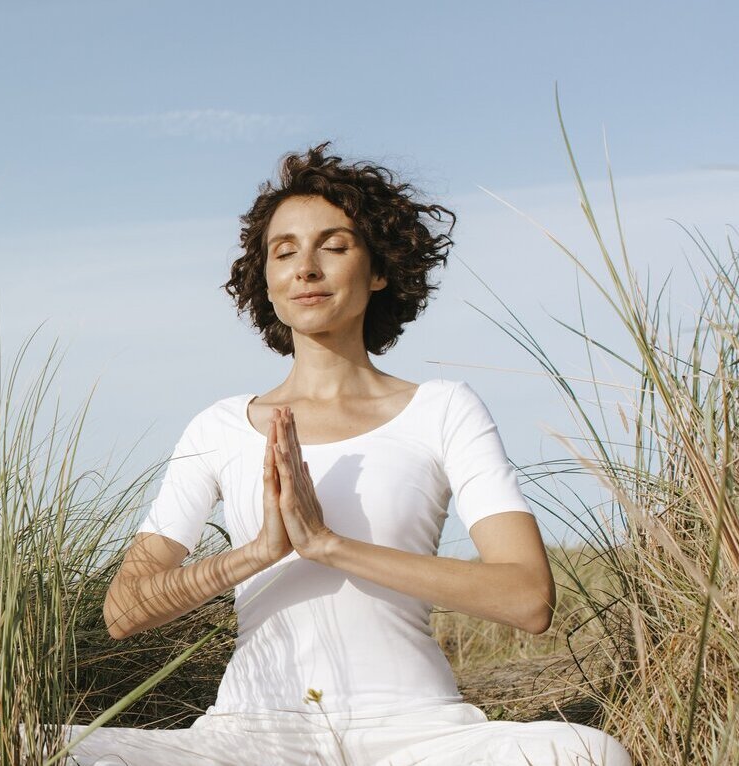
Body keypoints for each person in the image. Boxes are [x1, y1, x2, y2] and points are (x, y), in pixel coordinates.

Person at [57, 144, 632, 765]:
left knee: (586, 754)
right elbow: (123, 611)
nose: (306, 267)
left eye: (333, 246)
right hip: (248, 737)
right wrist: (257, 553)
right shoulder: (219, 427)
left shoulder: (442, 409)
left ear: (378, 270)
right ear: (267, 280)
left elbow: (526, 599)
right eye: (285, 252)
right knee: (36, 749)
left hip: (418, 734)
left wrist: (328, 544)